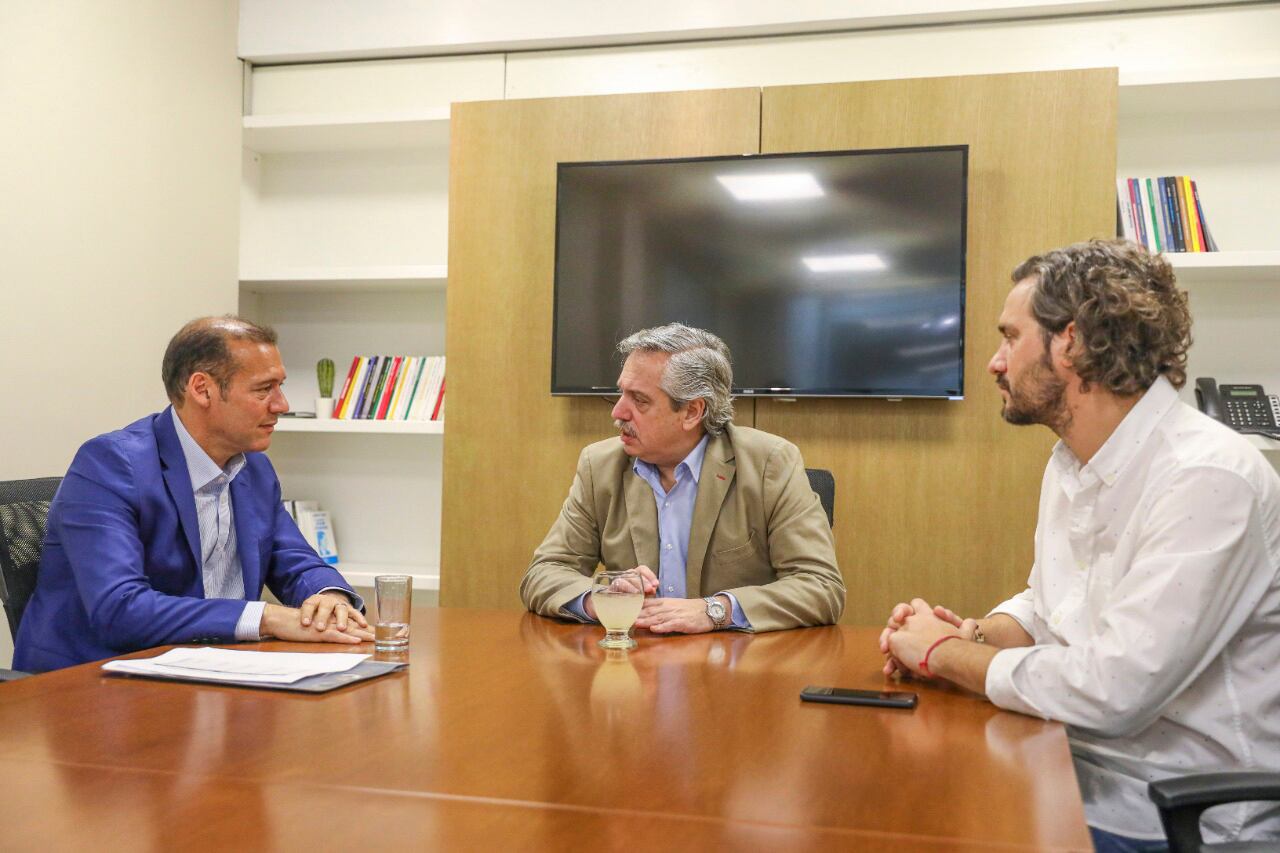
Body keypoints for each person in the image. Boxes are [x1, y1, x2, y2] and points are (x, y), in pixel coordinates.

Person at [879, 240, 1280, 850]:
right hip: (1069, 768)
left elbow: (1115, 690)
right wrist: (973, 634)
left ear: (1072, 343)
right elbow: (1050, 607)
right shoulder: (1071, 460)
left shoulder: (1208, 476)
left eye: (1010, 337)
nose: (994, 362)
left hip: (1178, 816)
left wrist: (944, 656)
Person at [15, 317, 372, 672]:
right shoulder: (110, 464)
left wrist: (329, 598)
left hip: (213, 671)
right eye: (264, 389)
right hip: (97, 681)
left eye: (280, 387)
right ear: (202, 390)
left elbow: (295, 561)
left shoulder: (254, 469)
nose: (281, 404)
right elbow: (120, 609)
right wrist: (268, 617)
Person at [520, 322, 844, 633]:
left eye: (639, 400)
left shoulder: (769, 464)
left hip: (733, 660)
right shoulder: (601, 466)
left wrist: (715, 610)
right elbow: (544, 572)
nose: (617, 412)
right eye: (621, 394)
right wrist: (601, 598)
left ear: (692, 412)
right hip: (637, 659)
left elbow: (821, 587)